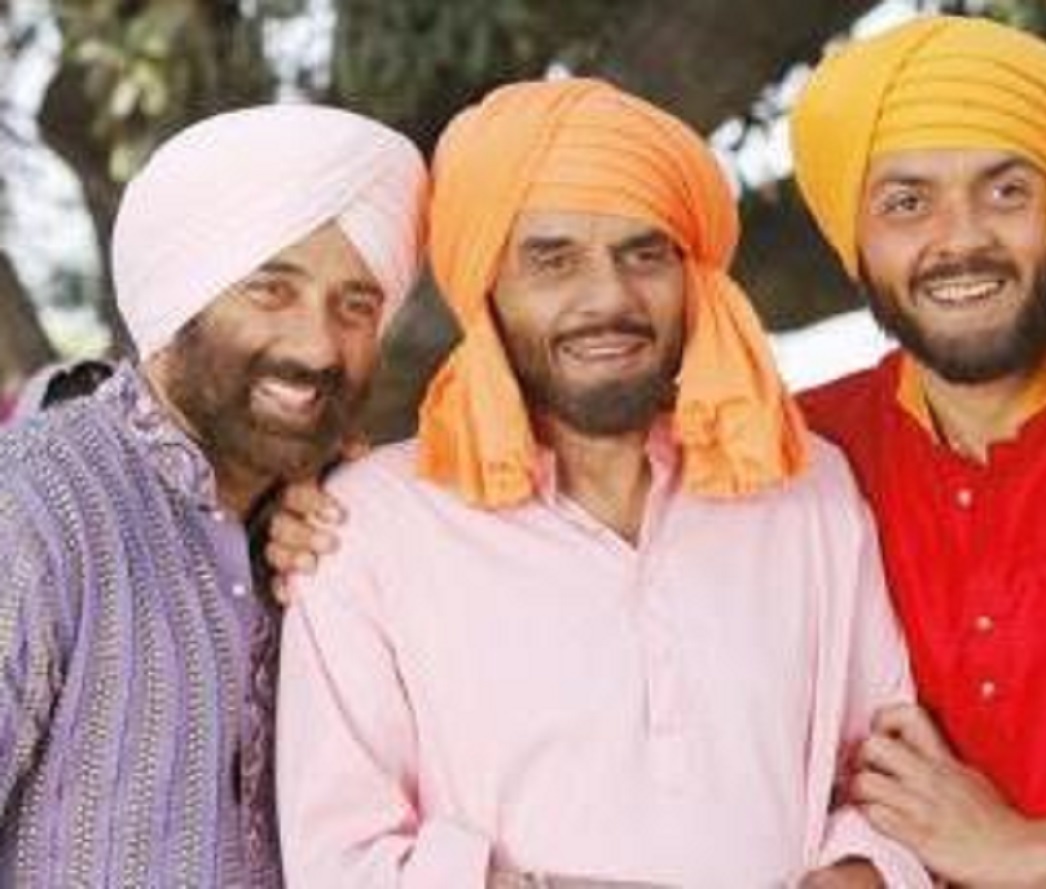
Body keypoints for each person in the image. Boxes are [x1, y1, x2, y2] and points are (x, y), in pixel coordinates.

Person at [273, 78, 929, 888]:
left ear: (691, 277)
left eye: (644, 254)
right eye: (552, 260)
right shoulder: (369, 524)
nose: (608, 297)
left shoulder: (805, 486)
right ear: (485, 286)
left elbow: (895, 780)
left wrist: (859, 870)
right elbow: (339, 859)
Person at [790, 14, 1046, 885]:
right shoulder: (801, 455)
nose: (961, 237)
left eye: (1007, 191)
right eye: (906, 202)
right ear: (852, 238)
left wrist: (1026, 852)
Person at [0, 104, 427, 886]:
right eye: (271, 290)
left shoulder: (333, 534)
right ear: (180, 294)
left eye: (356, 305)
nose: (318, 346)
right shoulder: (34, 506)